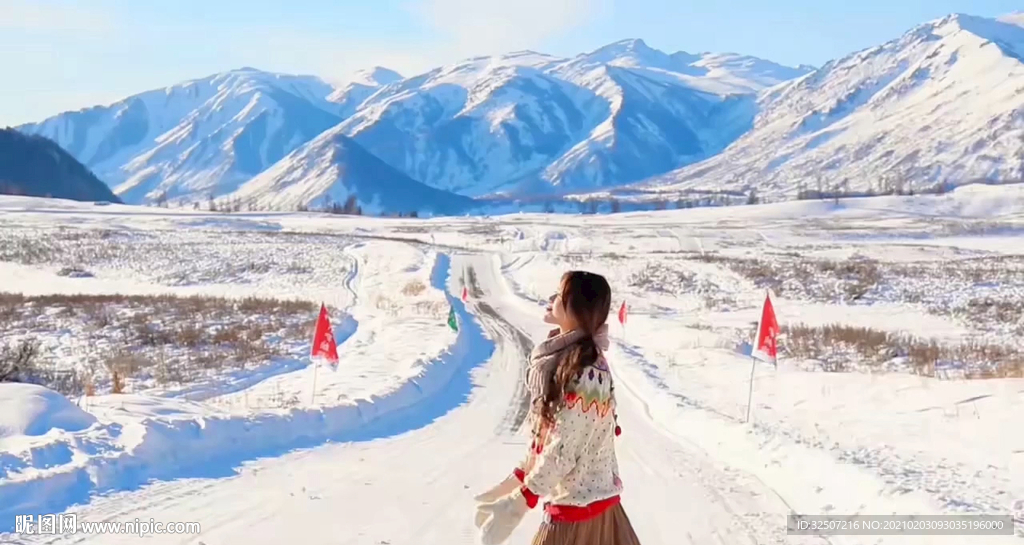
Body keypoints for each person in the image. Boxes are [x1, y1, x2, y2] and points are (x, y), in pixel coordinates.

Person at [473, 271, 642, 545]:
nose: (551, 299)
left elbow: (564, 449)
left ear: (576, 310)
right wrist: (514, 482)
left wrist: (519, 503)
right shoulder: (564, 360)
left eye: (559, 295)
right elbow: (547, 437)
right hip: (577, 505)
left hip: (582, 514)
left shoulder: (588, 373)